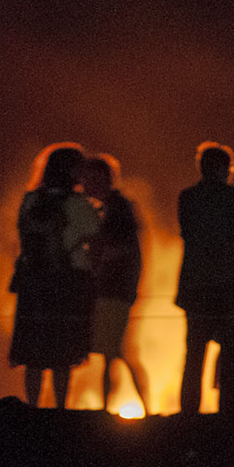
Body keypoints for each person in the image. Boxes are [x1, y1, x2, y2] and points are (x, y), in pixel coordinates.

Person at [9, 143, 100, 409]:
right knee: (63, 353)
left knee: (33, 353)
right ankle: (61, 409)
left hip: (33, 281)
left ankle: (33, 407)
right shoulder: (79, 204)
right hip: (67, 281)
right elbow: (96, 240)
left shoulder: (31, 201)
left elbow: (22, 235)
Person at [176, 142, 234, 416]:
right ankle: (227, 413)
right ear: (225, 169)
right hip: (227, 286)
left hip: (196, 285)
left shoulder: (187, 197)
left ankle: (188, 413)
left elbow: (188, 235)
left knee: (194, 354)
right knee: (230, 356)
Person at [80, 155, 146, 412]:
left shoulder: (117, 208)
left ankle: (112, 409)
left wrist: (92, 255)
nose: (84, 183)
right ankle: (119, 407)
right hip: (117, 289)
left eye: (89, 178)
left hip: (115, 289)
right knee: (115, 352)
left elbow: (123, 249)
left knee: (115, 352)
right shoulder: (116, 207)